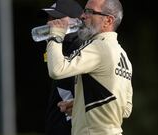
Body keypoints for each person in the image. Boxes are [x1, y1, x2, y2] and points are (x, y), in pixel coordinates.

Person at [46, 0, 133, 134]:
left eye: (90, 12)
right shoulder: (123, 55)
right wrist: (80, 104)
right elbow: (126, 109)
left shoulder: (99, 47)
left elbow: (57, 70)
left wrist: (56, 35)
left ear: (108, 21)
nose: (82, 16)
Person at [40, 0, 83, 135]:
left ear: (76, 22)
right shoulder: (60, 48)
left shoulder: (82, 50)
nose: (49, 23)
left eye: (57, 19)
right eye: (50, 18)